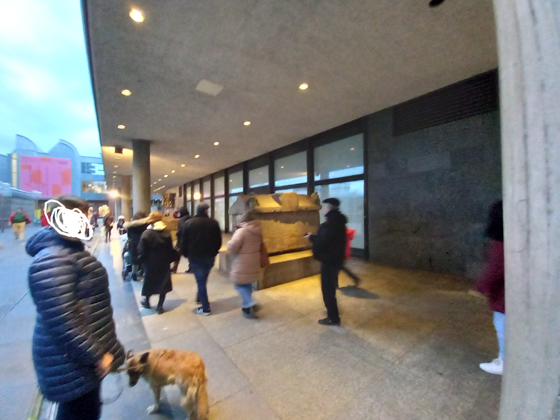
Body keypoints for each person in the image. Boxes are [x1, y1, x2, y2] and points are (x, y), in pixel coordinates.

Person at [26, 195, 125, 420]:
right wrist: (96, 355)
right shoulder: (54, 259)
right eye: (82, 215)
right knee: (79, 413)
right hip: (71, 362)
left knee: (85, 410)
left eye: (87, 215)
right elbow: (62, 320)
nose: (88, 220)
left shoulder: (68, 252)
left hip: (78, 360)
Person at [306, 197, 347, 326]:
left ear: (329, 207)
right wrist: (315, 236)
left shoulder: (331, 223)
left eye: (325, 206)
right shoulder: (338, 221)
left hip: (329, 260)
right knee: (331, 287)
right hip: (335, 258)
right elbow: (328, 238)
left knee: (328, 289)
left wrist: (311, 238)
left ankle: (333, 317)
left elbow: (324, 240)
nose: (323, 208)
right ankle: (333, 313)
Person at [477, 200, 505, 375]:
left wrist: (482, 286)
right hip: (509, 297)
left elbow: (494, 268)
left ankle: (504, 361)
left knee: (502, 327)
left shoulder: (500, 244)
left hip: (503, 298)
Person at [179, 203, 222, 316]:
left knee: (201, 281)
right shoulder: (214, 223)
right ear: (206, 211)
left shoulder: (189, 223)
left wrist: (185, 254)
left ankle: (205, 308)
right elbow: (218, 241)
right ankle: (199, 297)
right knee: (203, 278)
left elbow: (183, 241)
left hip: (195, 257)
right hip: (209, 256)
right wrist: (215, 251)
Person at [138, 212, 176, 314]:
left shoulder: (147, 233)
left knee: (149, 281)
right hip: (164, 261)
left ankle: (147, 301)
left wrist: (141, 260)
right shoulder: (166, 232)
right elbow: (170, 248)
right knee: (163, 282)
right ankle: (160, 306)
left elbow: (141, 250)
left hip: (150, 262)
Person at [227, 212, 262, 319]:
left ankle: (250, 302)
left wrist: (230, 240)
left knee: (239, 284)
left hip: (242, 262)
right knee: (247, 283)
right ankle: (246, 307)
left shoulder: (241, 231)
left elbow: (232, 247)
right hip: (254, 261)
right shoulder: (258, 230)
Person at [125, 211, 151, 281]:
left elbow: (129, 235)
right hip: (143, 243)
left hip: (133, 244)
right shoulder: (146, 225)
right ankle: (144, 273)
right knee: (144, 259)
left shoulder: (130, 226)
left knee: (135, 260)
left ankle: (134, 274)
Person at [172, 206, 191, 274]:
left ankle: (174, 268)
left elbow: (181, 230)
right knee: (190, 254)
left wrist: (177, 234)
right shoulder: (191, 218)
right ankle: (191, 267)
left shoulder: (181, 220)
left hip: (181, 239)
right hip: (190, 239)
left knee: (177, 253)